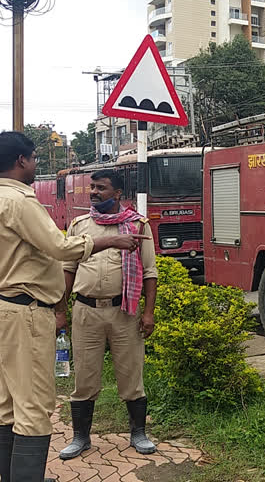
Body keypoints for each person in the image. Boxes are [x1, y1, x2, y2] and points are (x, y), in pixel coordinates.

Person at [0, 132, 145, 482]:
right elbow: (60, 249)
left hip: (6, 309)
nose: (36, 165)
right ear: (22, 160)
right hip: (26, 311)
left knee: (6, 404)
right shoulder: (20, 201)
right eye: (34, 159)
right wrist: (109, 241)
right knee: (34, 405)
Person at [58, 169, 159, 460]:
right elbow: (68, 270)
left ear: (117, 194)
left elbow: (150, 272)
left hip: (124, 312)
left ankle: (138, 433)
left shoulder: (137, 226)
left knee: (131, 374)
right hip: (85, 311)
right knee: (84, 377)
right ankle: (80, 438)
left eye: (101, 188)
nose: (93, 192)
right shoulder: (79, 225)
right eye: (92, 187)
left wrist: (148, 313)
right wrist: (60, 311)